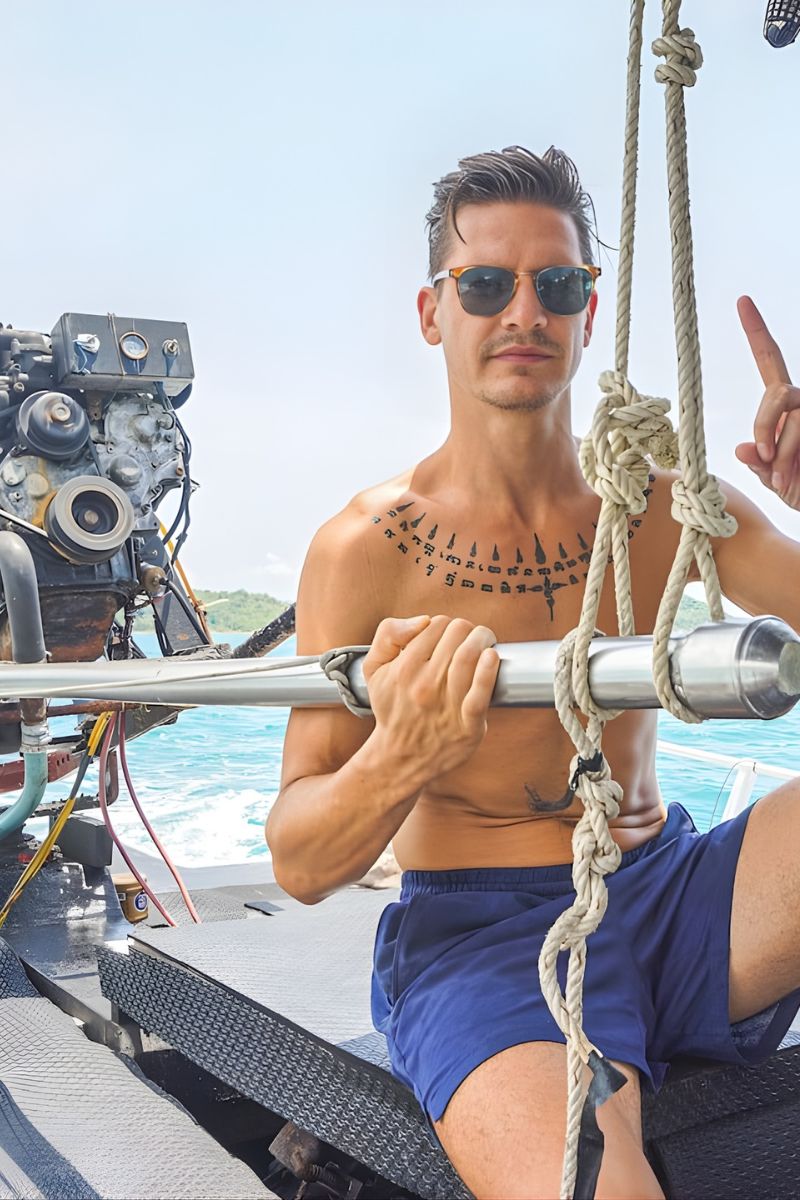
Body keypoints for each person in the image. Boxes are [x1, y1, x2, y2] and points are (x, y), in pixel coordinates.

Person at [266, 146, 800, 1200]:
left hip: (674, 891)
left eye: (555, 285)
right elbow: (299, 859)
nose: (523, 311)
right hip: (485, 938)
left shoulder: (664, 508)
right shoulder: (366, 548)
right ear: (433, 312)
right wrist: (403, 757)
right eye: (483, 285)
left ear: (588, 314)